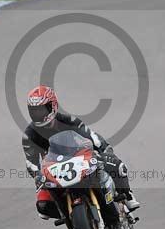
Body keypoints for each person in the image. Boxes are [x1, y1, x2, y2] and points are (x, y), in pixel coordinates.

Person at [22, 85, 140, 220]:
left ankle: (127, 196)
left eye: (42, 109)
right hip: (54, 169)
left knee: (116, 164)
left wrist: (104, 149)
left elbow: (91, 136)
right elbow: (31, 162)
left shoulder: (69, 121)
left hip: (80, 158)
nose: (38, 114)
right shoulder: (29, 135)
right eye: (34, 111)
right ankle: (68, 215)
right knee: (43, 206)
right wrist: (38, 176)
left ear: (53, 106)